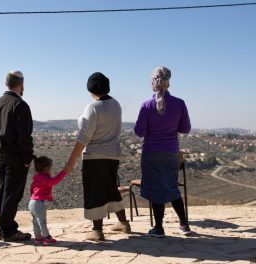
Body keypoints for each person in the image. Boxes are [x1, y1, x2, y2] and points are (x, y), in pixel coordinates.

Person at [65, 72, 131, 242]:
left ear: (90, 89)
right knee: (110, 189)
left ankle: (97, 230)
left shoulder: (93, 107)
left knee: (94, 192)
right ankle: (123, 223)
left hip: (94, 156)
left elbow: (83, 137)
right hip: (113, 155)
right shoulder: (116, 105)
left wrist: (71, 160)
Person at [134, 66, 192, 238]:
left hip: (151, 153)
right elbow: (185, 128)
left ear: (154, 81)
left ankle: (158, 228)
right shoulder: (179, 104)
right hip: (171, 152)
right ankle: (184, 224)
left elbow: (139, 132)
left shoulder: (147, 105)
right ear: (168, 82)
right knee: (171, 186)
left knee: (154, 189)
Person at [0, 70, 34, 242]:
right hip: (16, 157)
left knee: (1, 192)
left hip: (1, 155)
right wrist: (28, 158)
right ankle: (8, 230)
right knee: (12, 194)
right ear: (21, 84)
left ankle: (1, 227)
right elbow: (24, 136)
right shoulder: (20, 105)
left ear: (6, 83)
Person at [28, 156, 68, 245]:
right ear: (47, 168)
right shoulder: (44, 177)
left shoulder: (36, 177)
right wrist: (63, 173)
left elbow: (31, 189)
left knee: (36, 221)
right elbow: (53, 181)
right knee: (42, 221)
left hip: (32, 202)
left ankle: (38, 238)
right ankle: (47, 238)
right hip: (39, 203)